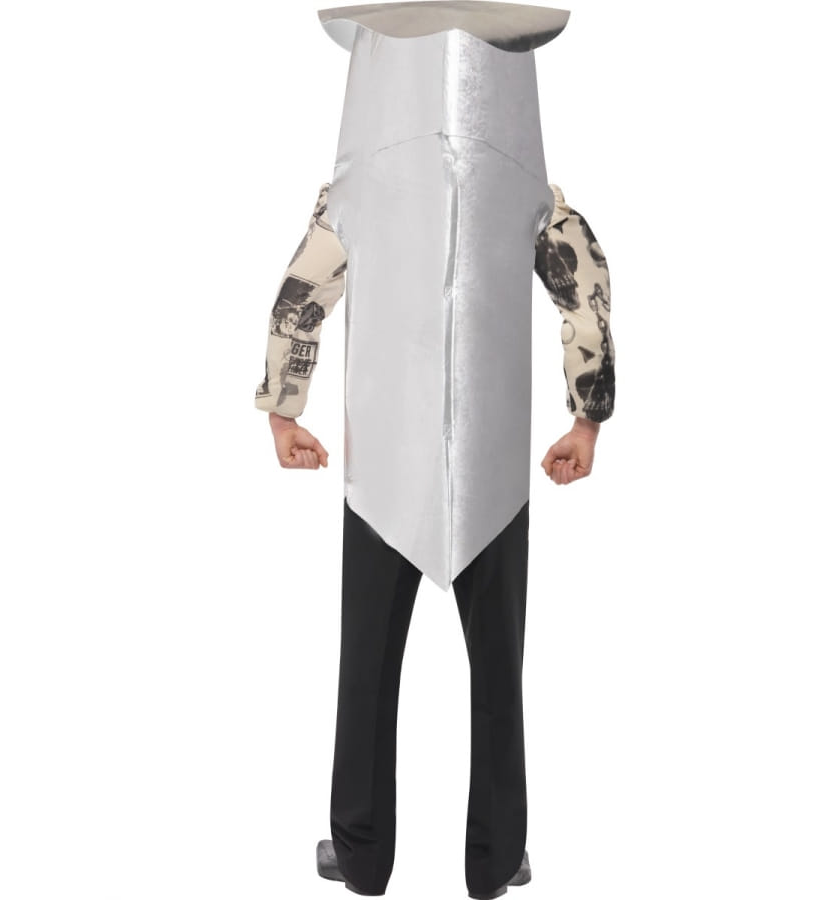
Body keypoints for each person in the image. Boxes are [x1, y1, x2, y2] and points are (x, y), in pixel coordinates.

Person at [254, 4, 615, 898]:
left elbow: (301, 296)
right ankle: (495, 860)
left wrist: (284, 411)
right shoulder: (533, 198)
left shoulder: (356, 195)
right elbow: (585, 291)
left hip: (384, 464)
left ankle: (361, 852)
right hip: (494, 465)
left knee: (367, 668)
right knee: (498, 673)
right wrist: (586, 418)